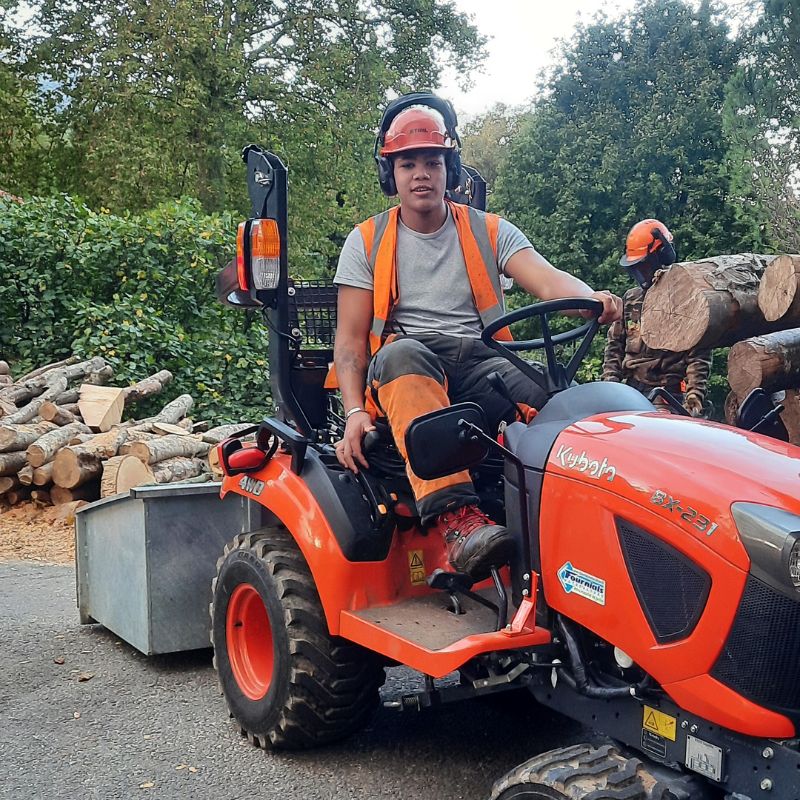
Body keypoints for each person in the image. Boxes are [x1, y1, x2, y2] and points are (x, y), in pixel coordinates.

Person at [333, 94, 622, 581]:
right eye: (408, 163)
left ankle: (591, 522)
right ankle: (457, 522)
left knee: (557, 399)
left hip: (484, 362)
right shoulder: (365, 241)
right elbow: (350, 341)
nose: (421, 173)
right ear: (392, 174)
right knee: (403, 355)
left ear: (450, 168)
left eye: (432, 161)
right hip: (409, 368)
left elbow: (550, 282)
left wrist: (591, 296)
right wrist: (354, 412)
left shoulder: (491, 231)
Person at [602, 219, 711, 416]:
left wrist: (694, 398)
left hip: (667, 394)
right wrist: (610, 385)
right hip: (630, 389)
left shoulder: (687, 302)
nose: (640, 273)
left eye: (644, 266)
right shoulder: (631, 299)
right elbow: (615, 345)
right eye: (636, 268)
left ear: (663, 256)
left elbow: (698, 357)